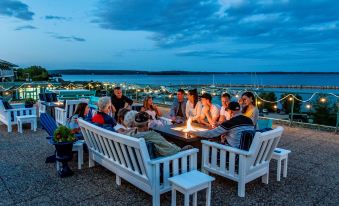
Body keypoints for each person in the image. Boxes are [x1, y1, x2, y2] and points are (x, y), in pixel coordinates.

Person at [127, 112, 191, 157]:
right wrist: (178, 149)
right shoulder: (152, 136)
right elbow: (170, 149)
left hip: (137, 165)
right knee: (189, 147)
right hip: (158, 165)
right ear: (147, 123)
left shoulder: (130, 135)